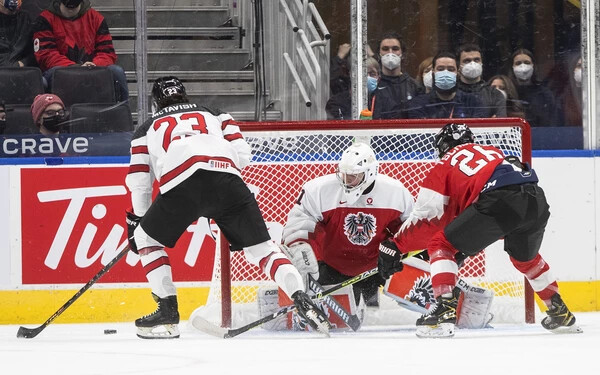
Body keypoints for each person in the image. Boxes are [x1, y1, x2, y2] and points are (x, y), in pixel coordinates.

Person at [125, 76, 331, 339]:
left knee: (146, 239)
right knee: (262, 250)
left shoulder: (145, 128)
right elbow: (243, 156)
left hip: (181, 184)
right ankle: (299, 295)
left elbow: (141, 182)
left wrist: (138, 222)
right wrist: (215, 178)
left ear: (155, 103)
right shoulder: (215, 113)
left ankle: (167, 314)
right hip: (228, 180)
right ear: (185, 96)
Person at [378, 123, 582, 338]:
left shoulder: (447, 162)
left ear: (443, 146)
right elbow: (483, 217)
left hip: (499, 200)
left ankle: (444, 310)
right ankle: (559, 311)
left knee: (440, 245)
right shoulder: (493, 153)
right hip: (535, 200)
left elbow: (426, 217)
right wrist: (463, 246)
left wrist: (395, 245)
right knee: (525, 259)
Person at [281, 142, 414, 307]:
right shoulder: (319, 190)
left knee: (372, 319)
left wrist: (396, 249)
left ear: (370, 173)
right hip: (331, 266)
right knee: (334, 320)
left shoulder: (396, 192)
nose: (346, 180)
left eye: (353, 176)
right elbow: (298, 224)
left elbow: (411, 230)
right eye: (343, 175)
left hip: (375, 269)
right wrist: (301, 249)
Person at [32, 0, 128, 100]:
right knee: (50, 75)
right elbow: (46, 55)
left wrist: (93, 65)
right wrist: (75, 67)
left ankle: (124, 112)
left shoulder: (96, 18)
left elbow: (107, 52)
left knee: (117, 72)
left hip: (93, 69)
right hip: (60, 71)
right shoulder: (45, 19)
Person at [407, 51, 487, 119]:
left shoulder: (473, 102)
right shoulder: (418, 104)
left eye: (451, 69)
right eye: (440, 69)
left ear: (458, 73)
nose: (446, 73)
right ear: (433, 73)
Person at [369, 31, 422, 119]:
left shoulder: (414, 86)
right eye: (385, 49)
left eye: (395, 49)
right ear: (379, 54)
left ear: (402, 54)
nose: (390, 53)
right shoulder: (373, 85)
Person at [508, 48, 561, 127]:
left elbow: (552, 121)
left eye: (527, 62)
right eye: (518, 63)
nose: (523, 66)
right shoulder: (508, 92)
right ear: (512, 67)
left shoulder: (544, 94)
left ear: (533, 65)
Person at [456, 43, 506, 117]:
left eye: (476, 60)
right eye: (467, 61)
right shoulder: (451, 93)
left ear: (481, 63)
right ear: (459, 66)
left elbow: (500, 125)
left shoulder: (495, 95)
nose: (473, 64)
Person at [0, 0, 35, 67]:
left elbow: (34, 51)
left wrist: (24, 62)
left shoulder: (25, 18)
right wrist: (11, 65)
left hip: (22, 71)